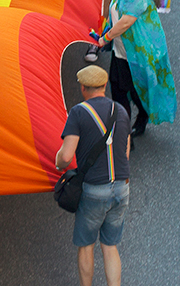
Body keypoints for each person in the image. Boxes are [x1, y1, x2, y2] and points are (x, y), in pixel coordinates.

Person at [55, 65, 130, 286]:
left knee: (86, 245)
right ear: (105, 86)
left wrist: (58, 162)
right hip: (121, 188)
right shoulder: (121, 111)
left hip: (94, 190)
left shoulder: (78, 113)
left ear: (82, 88)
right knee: (110, 246)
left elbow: (66, 156)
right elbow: (125, 154)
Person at [94, 0, 175, 138]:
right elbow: (115, 13)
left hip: (138, 53)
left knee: (135, 90)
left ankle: (130, 129)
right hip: (122, 50)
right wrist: (104, 30)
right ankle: (125, 132)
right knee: (119, 89)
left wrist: (105, 38)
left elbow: (125, 22)